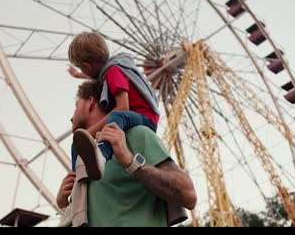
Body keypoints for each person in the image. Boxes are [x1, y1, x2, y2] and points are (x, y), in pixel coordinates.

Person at [56, 80, 196, 227]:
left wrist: (130, 161)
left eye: (76, 105)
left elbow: (188, 195)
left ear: (90, 102)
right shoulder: (84, 159)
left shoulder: (137, 135)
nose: (71, 117)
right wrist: (65, 205)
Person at [67, 32, 192, 181]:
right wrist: (78, 75)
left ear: (87, 67)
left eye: (82, 70)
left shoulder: (113, 72)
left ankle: (101, 155)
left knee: (114, 117)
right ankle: (77, 177)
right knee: (78, 141)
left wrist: (91, 132)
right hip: (133, 117)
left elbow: (123, 107)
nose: (84, 73)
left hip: (145, 117)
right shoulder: (111, 69)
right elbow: (94, 75)